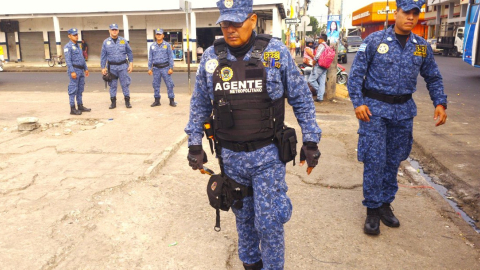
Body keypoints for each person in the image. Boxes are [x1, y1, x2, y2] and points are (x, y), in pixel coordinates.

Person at [184, 0, 322, 269]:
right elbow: (199, 102)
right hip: (231, 157)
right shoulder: (212, 57)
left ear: (253, 19)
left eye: (236, 23)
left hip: (268, 156)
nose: (230, 29)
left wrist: (311, 139)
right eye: (225, 23)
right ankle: (250, 264)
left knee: (269, 222)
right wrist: (194, 144)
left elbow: (301, 98)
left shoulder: (274, 52)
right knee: (243, 219)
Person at [348, 0, 447, 236]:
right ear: (396, 13)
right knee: (374, 160)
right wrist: (358, 102)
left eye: (415, 13)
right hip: (374, 111)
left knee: (393, 161)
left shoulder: (421, 46)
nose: (411, 17)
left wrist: (440, 102)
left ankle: (384, 204)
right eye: (406, 12)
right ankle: (372, 209)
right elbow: (355, 75)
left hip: (403, 112)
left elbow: (433, 77)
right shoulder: (374, 41)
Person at [101, 23, 134, 109]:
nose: (114, 31)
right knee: (112, 85)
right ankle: (113, 102)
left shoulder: (123, 41)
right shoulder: (106, 42)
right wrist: (103, 67)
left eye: (116, 30)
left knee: (125, 84)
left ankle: (127, 101)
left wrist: (131, 64)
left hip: (123, 66)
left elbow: (129, 52)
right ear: (109, 31)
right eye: (113, 30)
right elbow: (103, 56)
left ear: (118, 31)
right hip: (112, 68)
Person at [64, 28, 90, 115]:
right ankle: (72, 108)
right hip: (74, 70)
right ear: (69, 36)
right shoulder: (68, 47)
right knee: (73, 90)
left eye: (76, 35)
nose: (76, 36)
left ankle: (80, 105)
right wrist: (72, 71)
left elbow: (82, 59)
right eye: (74, 35)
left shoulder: (78, 46)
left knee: (80, 89)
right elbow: (68, 61)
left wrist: (86, 68)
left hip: (81, 70)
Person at [148, 28, 176, 107]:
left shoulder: (167, 45)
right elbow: (150, 58)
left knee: (169, 84)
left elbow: (170, 57)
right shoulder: (152, 46)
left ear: (163, 35)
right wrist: (149, 68)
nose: (158, 36)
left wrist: (171, 68)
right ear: (155, 35)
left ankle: (171, 100)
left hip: (165, 68)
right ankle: (157, 100)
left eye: (160, 34)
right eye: (157, 34)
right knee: (156, 84)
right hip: (156, 68)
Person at [306, 34, 328, 102]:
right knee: (322, 82)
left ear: (322, 39)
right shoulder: (327, 46)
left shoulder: (322, 45)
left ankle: (320, 93)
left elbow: (317, 56)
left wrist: (314, 61)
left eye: (319, 39)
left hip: (319, 66)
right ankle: (320, 98)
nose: (318, 40)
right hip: (325, 66)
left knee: (311, 80)